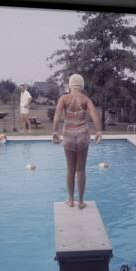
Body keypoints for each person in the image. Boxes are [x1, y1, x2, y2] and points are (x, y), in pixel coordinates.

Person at [52, 74, 102, 209]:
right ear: (82, 85)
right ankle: (80, 201)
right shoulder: (86, 99)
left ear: (70, 84)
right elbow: (94, 116)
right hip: (83, 136)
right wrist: (98, 131)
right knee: (81, 170)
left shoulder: (64, 98)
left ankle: (70, 200)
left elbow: (57, 115)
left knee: (70, 169)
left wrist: (55, 132)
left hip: (68, 136)